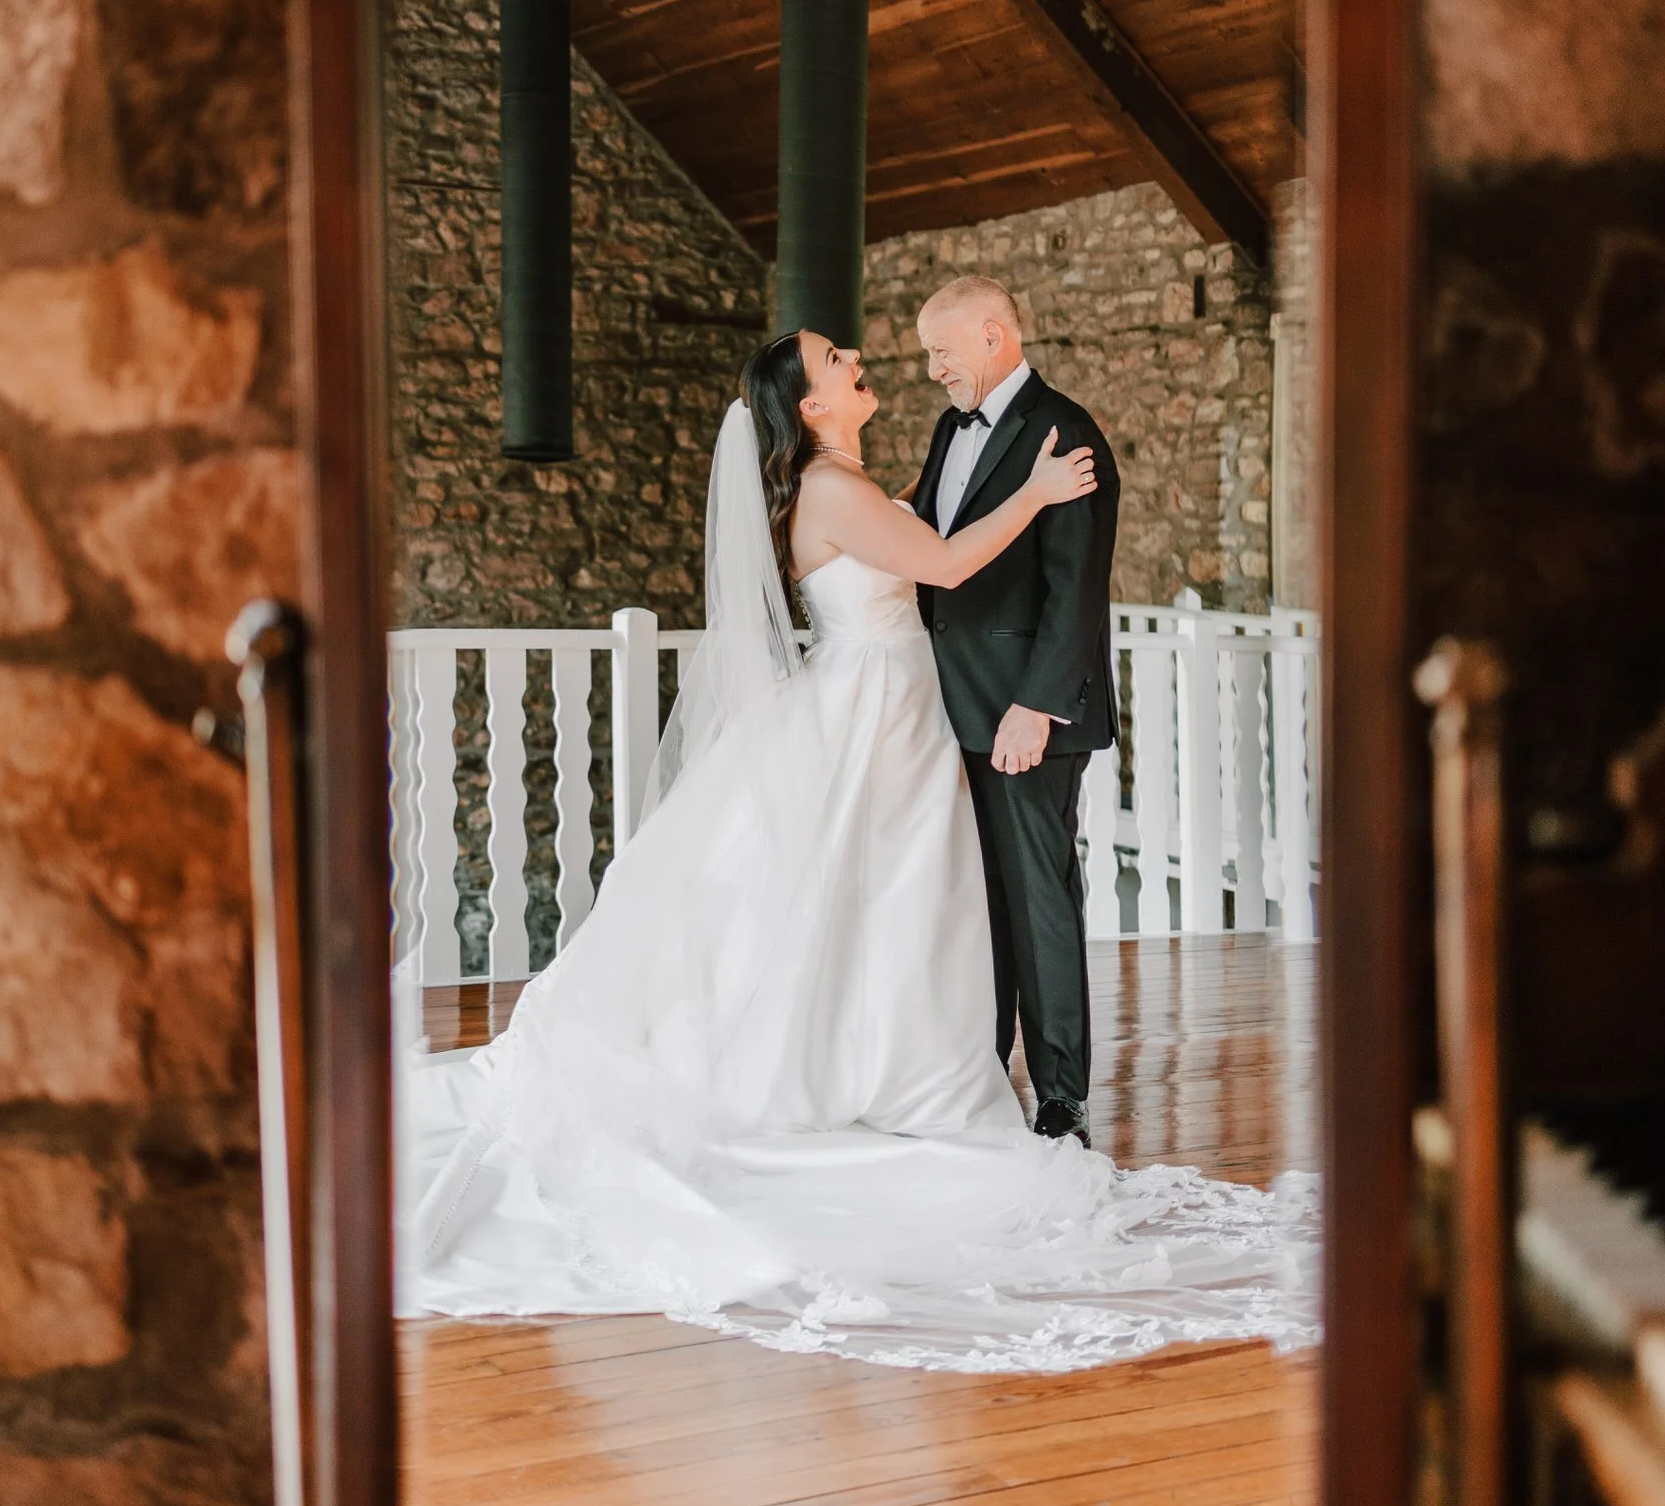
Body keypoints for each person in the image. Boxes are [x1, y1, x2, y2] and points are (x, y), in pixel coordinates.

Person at [398, 330, 1315, 1373]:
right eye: (839, 358)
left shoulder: (847, 482)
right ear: (814, 402)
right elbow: (948, 560)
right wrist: (1041, 489)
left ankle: (885, 1063)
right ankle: (863, 1079)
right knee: (874, 903)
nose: (861, 357)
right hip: (875, 717)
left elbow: (919, 526)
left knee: (880, 910)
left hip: (887, 710)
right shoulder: (834, 492)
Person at [910, 277, 1119, 1146]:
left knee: (1040, 899)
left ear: (992, 335)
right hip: (951, 709)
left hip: (1023, 714)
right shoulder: (945, 429)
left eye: (941, 351)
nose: (933, 371)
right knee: (980, 901)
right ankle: (986, 1071)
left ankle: (1062, 1092)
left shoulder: (1065, 433)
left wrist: (1036, 707)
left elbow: (1077, 590)